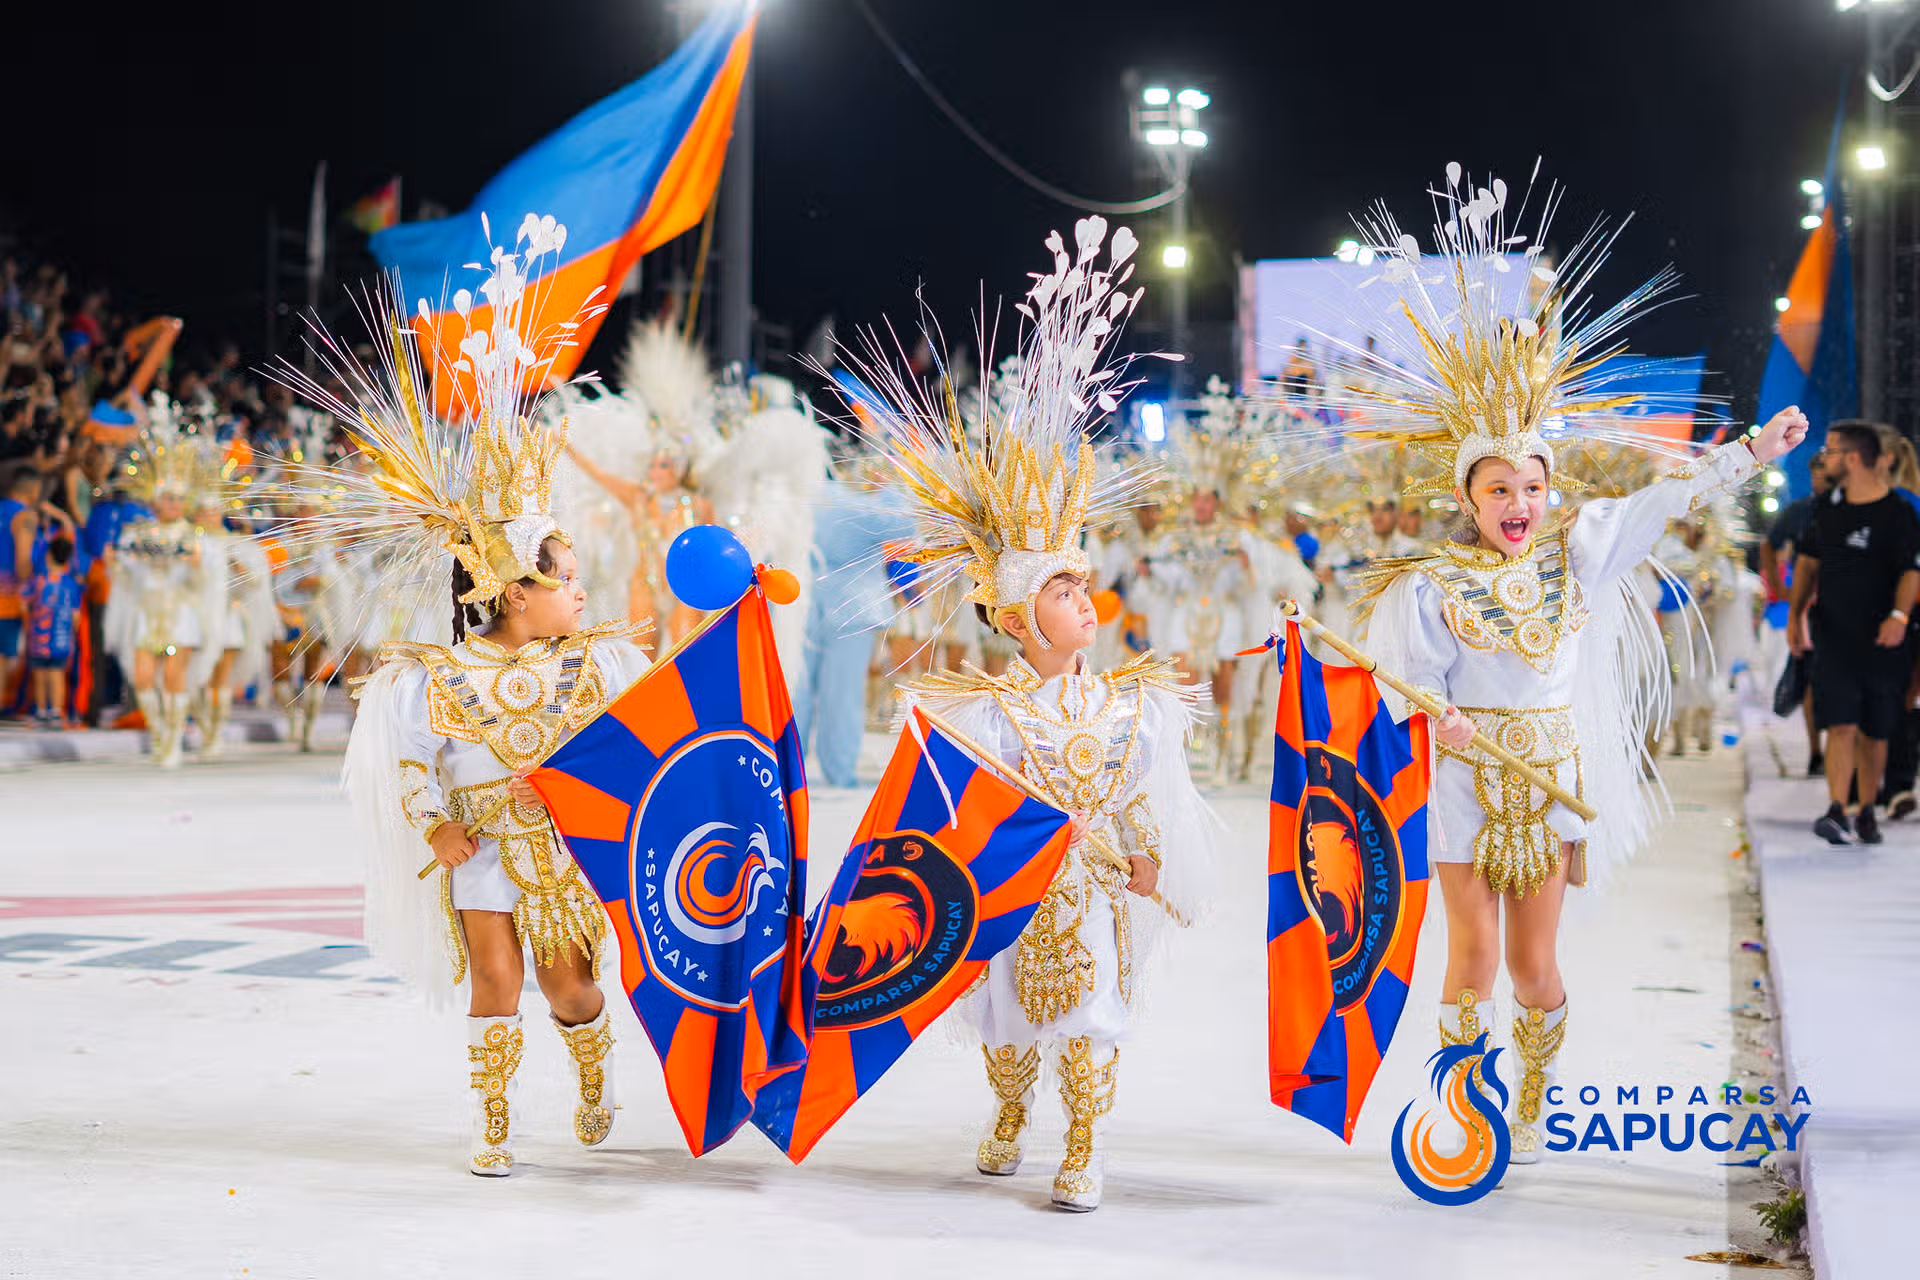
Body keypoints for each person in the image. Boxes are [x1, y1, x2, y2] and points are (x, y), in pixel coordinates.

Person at [1318, 168, 1806, 1164]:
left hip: (1544, 781)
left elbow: (1666, 500)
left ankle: (1534, 1093)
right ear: (1470, 495)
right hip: (1461, 779)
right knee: (1473, 955)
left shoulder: (1581, 550)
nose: (1520, 502)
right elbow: (1398, 683)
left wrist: (1753, 451)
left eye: (1532, 485)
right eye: (1500, 486)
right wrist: (1434, 719)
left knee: (1536, 967)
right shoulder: (1428, 581)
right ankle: (1469, 1112)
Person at [280, 215, 652, 1176]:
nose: (582, 592)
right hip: (481, 841)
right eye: (564, 577)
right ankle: (494, 1122)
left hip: (566, 845)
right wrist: (435, 824)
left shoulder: (598, 662)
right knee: (496, 976)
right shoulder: (430, 676)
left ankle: (593, 1066)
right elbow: (409, 761)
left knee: (570, 988)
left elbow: (658, 733)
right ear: (510, 592)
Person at [876, 217, 1215, 1212]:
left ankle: (1084, 1143)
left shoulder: (1130, 701)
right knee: (1009, 1015)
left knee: (1094, 1011)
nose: (1088, 601)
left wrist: (1149, 854)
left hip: (1096, 883)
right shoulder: (982, 708)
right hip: (1013, 889)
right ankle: (1013, 1111)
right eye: (1065, 592)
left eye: (1086, 584)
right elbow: (950, 807)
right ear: (1022, 616)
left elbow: (1145, 786)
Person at [1788, 422, 1920, 845]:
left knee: (1874, 730)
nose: (1823, 457)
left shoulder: (1899, 512)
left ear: (1852, 458)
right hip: (1833, 635)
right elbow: (1808, 564)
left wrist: (1898, 617)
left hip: (1883, 640)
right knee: (1840, 723)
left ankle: (1866, 809)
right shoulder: (1825, 509)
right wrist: (1794, 617)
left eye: (1830, 450)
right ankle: (1836, 808)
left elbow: (1910, 571)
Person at [1762, 451, 1833, 775]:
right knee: (1810, 680)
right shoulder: (1801, 511)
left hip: (1847, 607)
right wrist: (1781, 588)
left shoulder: (1853, 508)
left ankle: (1836, 747)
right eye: (1819, 469)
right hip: (1809, 610)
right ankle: (1817, 750)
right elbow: (1769, 544)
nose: (1823, 476)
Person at [26, 531, 83, 726]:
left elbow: (24, 602)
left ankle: (41, 711)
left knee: (39, 674)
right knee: (57, 674)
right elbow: (76, 614)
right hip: (61, 639)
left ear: (48, 555)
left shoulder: (38, 581)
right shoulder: (71, 584)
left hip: (38, 638)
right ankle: (57, 712)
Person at [0, 465, 42, 713]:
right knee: (3, 656)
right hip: (7, 594)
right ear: (34, 489)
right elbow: (23, 560)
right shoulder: (24, 516)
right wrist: (30, 590)